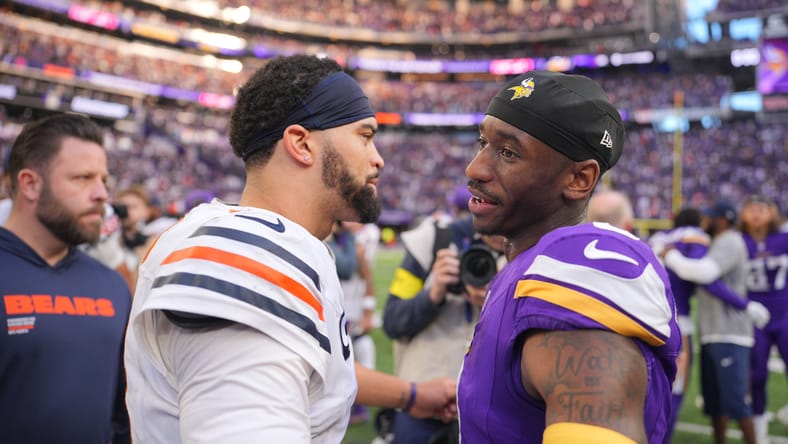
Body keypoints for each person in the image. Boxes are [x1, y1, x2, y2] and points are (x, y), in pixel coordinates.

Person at [124, 54, 456, 443]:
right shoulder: (249, 258)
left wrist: (411, 396)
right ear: (300, 144)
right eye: (365, 136)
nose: (378, 158)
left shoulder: (264, 239)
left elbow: (300, 366)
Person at [456, 70, 681, 444]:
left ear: (579, 179)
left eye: (508, 152)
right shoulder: (525, 267)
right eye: (483, 143)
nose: (475, 168)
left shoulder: (578, 273)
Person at [0, 113, 132, 443]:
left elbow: (122, 414)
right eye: (83, 178)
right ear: (30, 183)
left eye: (104, 179)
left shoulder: (112, 287)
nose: (102, 194)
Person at [382, 209, 506, 444]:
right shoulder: (437, 239)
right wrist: (434, 293)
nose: (503, 233)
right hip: (424, 402)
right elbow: (392, 321)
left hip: (491, 406)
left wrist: (500, 300)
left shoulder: (531, 248)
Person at [650, 207, 769, 443]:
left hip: (647, 321)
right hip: (676, 326)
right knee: (673, 395)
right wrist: (743, 305)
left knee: (650, 395)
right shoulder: (695, 237)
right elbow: (705, 278)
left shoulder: (658, 238)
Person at [739, 195, 788, 443]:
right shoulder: (738, 242)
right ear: (744, 214)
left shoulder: (783, 238)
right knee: (757, 375)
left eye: (762, 209)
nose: (757, 213)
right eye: (752, 208)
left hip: (784, 315)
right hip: (755, 319)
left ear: (772, 214)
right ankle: (758, 430)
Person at [326, 220, 377, 424]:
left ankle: (358, 406)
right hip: (333, 312)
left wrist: (367, 313)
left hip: (351, 312)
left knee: (359, 355)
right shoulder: (327, 244)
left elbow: (367, 279)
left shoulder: (357, 244)